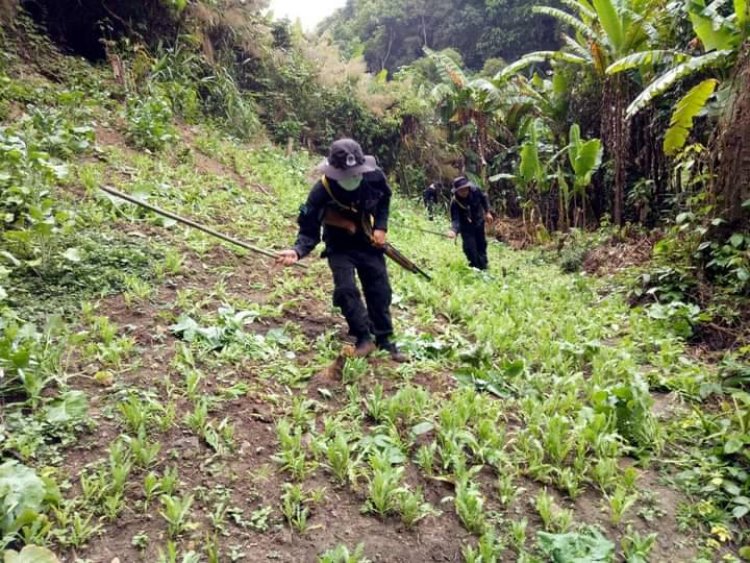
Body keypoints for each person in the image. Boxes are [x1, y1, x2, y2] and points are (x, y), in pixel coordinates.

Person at [276, 138, 407, 362]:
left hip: (367, 241)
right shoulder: (321, 191)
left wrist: (381, 227)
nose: (352, 177)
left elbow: (385, 198)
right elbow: (308, 228)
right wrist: (297, 251)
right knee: (345, 290)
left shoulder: (374, 177)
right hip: (339, 245)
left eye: (356, 172)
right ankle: (363, 337)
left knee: (380, 290)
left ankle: (384, 340)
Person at [447, 176, 493, 270]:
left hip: (478, 222)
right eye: (461, 190)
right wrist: (454, 231)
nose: (464, 192)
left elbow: (484, 198)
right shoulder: (455, 203)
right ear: (456, 191)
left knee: (481, 245)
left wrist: (487, 212)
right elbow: (456, 219)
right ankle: (475, 267)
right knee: (470, 248)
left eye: (465, 189)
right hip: (466, 227)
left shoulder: (475, 191)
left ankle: (484, 266)